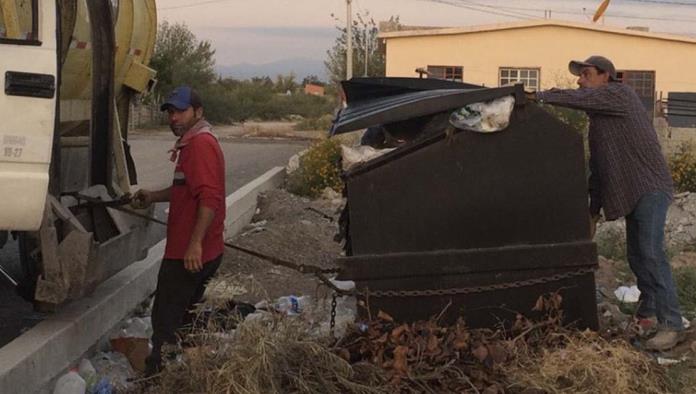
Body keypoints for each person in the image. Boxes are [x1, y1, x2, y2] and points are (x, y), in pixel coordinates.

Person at [530, 56, 684, 350]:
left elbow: (583, 96)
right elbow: (599, 170)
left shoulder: (619, 94)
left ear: (606, 76)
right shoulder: (599, 122)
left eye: (586, 74)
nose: (580, 80)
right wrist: (592, 209)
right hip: (634, 193)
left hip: (650, 187)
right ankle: (649, 313)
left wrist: (538, 95)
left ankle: (672, 323)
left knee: (650, 253)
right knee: (637, 256)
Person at [133, 86, 226, 374]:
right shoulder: (191, 143)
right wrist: (152, 196)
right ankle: (186, 373)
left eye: (181, 111)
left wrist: (194, 244)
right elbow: (185, 190)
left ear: (198, 112)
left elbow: (210, 198)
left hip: (189, 254)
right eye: (171, 112)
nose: (174, 118)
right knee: (186, 319)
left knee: (165, 321)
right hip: (198, 250)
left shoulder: (200, 145)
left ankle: (157, 378)